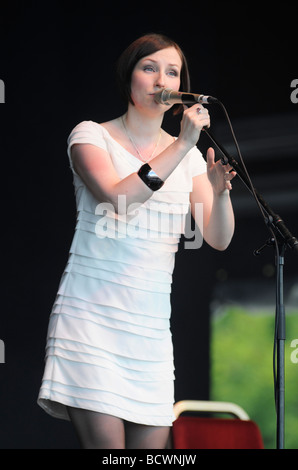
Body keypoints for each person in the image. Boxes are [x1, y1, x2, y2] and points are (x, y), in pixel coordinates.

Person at [37, 33, 236, 449]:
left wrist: (218, 193)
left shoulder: (190, 158)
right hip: (91, 319)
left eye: (172, 71)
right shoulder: (91, 136)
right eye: (150, 67)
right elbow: (120, 199)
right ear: (129, 77)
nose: (161, 78)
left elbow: (218, 238)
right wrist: (183, 143)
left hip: (149, 331)